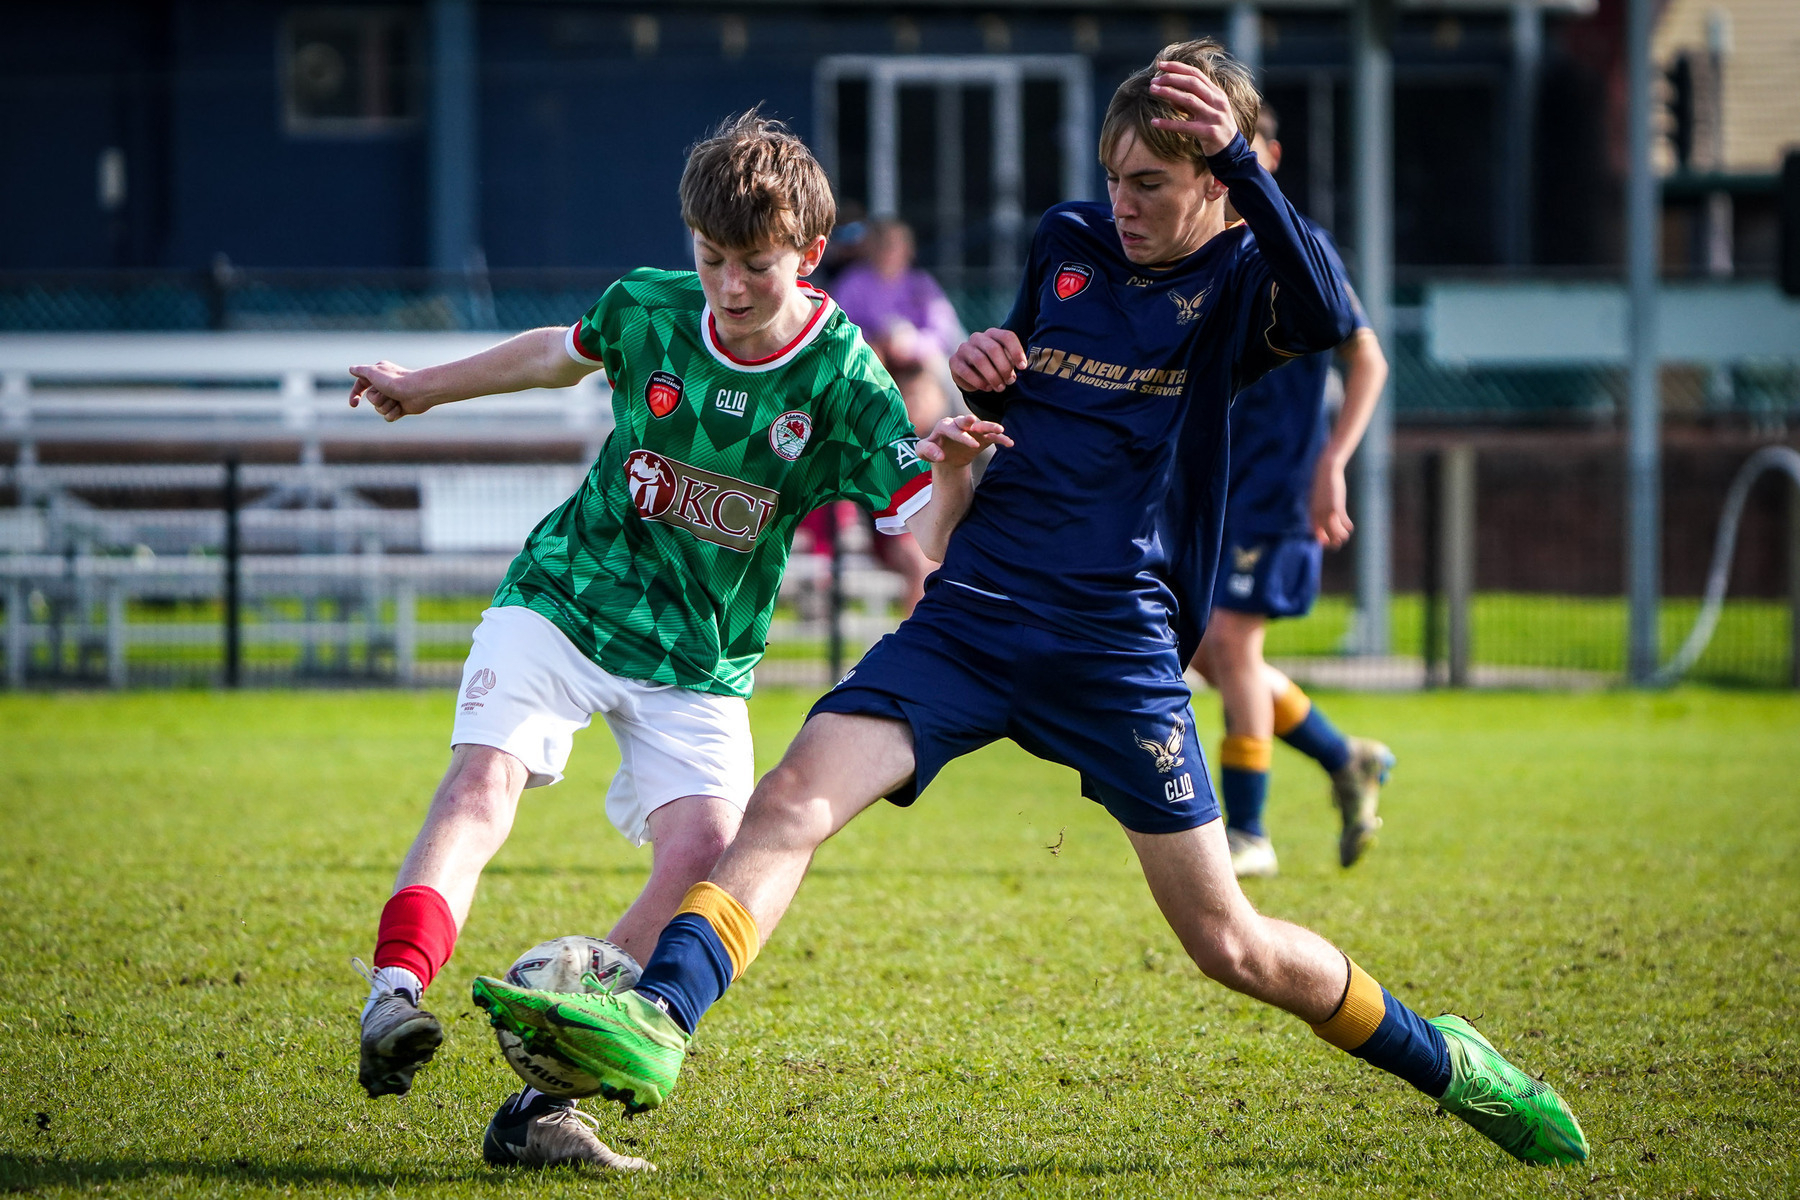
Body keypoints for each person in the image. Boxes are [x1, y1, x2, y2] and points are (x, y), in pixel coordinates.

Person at [472, 44, 1589, 1167]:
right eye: (1115, 177)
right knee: (790, 800)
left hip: (1116, 647)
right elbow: (1010, 398)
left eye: (1153, 182)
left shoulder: (1248, 272)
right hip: (977, 608)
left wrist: (1248, 165)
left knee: (1229, 943)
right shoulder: (1068, 243)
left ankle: (1451, 1066)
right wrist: (986, 372)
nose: (1124, 204)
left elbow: (1328, 309)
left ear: (1215, 181)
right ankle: (662, 1020)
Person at [344, 109, 1006, 1172]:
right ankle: (395, 993)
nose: (729, 287)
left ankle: (545, 1103)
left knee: (707, 857)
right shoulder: (651, 309)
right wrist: (418, 388)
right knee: (485, 781)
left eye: (754, 265)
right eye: (711, 260)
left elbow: (923, 527)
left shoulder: (842, 377)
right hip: (569, 595)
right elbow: (551, 358)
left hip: (701, 659)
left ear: (808, 254)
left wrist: (960, 465)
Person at [1189, 104, 1394, 879]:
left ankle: (1248, 831)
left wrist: (1332, 460)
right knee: (1212, 653)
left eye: (1239, 149)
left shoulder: (1302, 248)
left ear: (1264, 154)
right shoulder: (1200, 248)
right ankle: (1347, 756)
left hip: (1277, 486)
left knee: (1235, 645)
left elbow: (1365, 358)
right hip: (1216, 483)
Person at [831, 219, 970, 615]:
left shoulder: (920, 287)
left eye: (896, 246)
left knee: (930, 562)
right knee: (920, 562)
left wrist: (910, 347)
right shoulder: (856, 284)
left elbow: (942, 336)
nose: (890, 254)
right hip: (872, 384)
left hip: (918, 478)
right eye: (883, 245)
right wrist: (883, 348)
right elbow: (839, 336)